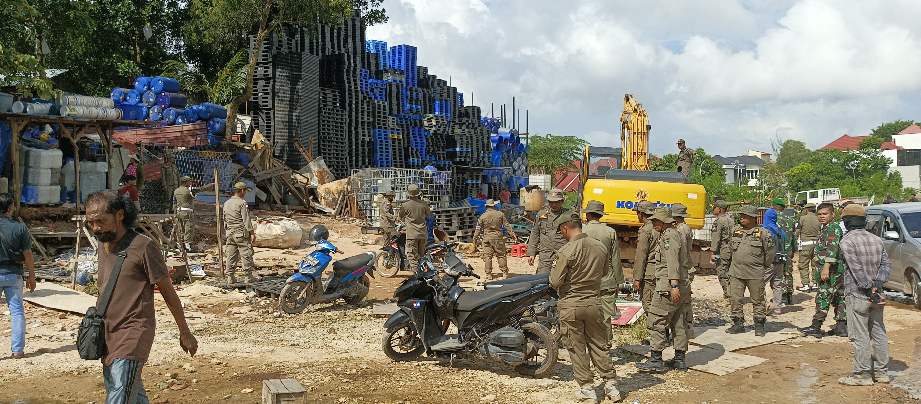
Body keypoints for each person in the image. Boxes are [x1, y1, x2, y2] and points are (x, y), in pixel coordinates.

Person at [85, 191, 197, 402]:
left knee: (120, 392)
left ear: (119, 215)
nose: (96, 228)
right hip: (108, 332)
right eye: (91, 223)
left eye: (101, 221)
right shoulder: (102, 244)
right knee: (130, 393)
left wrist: (185, 332)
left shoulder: (143, 246)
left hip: (133, 332)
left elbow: (168, 292)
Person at [549, 213, 622, 402]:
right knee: (599, 344)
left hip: (571, 305)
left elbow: (555, 281)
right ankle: (611, 385)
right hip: (594, 303)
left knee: (576, 347)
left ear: (565, 228)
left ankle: (587, 388)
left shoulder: (566, 250)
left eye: (561, 231)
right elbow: (604, 272)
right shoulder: (600, 247)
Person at [837, 204, 892, 386]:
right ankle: (882, 373)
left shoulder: (847, 241)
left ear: (846, 222)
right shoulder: (877, 239)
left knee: (860, 336)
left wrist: (868, 288)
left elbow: (856, 269)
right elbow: (886, 265)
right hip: (877, 295)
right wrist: (877, 285)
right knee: (879, 333)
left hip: (858, 294)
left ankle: (862, 375)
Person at [637, 208, 691, 373]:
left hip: (668, 286)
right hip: (682, 284)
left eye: (655, 221)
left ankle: (656, 360)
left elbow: (672, 261)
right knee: (678, 321)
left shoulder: (669, 236)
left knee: (656, 319)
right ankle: (680, 360)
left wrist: (673, 285)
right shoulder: (676, 233)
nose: (653, 223)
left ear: (663, 222)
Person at [727, 205, 774, 336]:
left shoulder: (763, 233)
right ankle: (738, 324)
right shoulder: (735, 231)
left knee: (758, 300)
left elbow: (770, 254)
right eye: (741, 216)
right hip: (736, 272)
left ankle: (759, 325)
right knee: (735, 299)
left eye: (745, 216)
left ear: (753, 218)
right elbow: (730, 249)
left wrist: (762, 266)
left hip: (755, 273)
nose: (741, 218)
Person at [802, 202, 848, 337]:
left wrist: (826, 268)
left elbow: (832, 249)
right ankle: (841, 327)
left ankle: (816, 326)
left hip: (831, 271)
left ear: (832, 214)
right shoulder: (825, 228)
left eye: (825, 214)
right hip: (834, 270)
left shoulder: (833, 228)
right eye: (820, 214)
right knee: (839, 298)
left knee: (823, 296)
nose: (822, 216)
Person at [0, 193, 35, 358]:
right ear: (10, 208)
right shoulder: (20, 228)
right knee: (17, 312)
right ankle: (17, 350)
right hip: (14, 274)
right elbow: (28, 254)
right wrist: (31, 276)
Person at [581, 200, 623, 338]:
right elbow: (615, 258)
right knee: (605, 315)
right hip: (607, 280)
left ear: (588, 215)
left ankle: (590, 342)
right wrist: (618, 281)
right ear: (600, 215)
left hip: (585, 280)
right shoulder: (610, 232)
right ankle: (606, 342)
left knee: (586, 314)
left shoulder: (581, 231)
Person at [527, 188, 570, 274]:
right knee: (542, 278)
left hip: (563, 254)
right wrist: (531, 253)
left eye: (557, 202)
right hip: (545, 255)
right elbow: (535, 233)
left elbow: (575, 236)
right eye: (551, 202)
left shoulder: (569, 215)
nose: (554, 205)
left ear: (562, 201)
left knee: (561, 278)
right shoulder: (542, 214)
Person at [473, 199, 518, 279]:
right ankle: (504, 273)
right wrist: (513, 235)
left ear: (486, 206)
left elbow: (478, 229)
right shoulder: (500, 214)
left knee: (488, 257)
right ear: (494, 206)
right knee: (501, 255)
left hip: (487, 238)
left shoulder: (482, 216)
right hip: (498, 238)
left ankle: (488, 274)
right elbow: (507, 225)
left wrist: (474, 239)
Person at [223, 182, 256, 283]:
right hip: (240, 233)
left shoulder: (226, 203)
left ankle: (230, 277)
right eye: (245, 191)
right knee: (246, 254)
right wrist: (252, 233)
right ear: (241, 190)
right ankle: (248, 277)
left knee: (231, 255)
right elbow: (246, 220)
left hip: (230, 233)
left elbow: (224, 219)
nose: (245, 193)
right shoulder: (242, 203)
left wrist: (227, 231)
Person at [632, 201, 659, 318]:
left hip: (650, 273)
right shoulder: (660, 227)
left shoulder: (646, 230)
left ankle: (656, 328)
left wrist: (637, 279)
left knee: (648, 303)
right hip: (661, 270)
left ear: (641, 214)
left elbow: (641, 256)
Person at [172, 176, 214, 253]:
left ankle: (180, 245)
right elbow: (201, 189)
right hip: (187, 212)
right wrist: (211, 185)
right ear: (186, 182)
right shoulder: (189, 190)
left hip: (178, 212)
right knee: (189, 228)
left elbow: (174, 203)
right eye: (190, 181)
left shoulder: (176, 191)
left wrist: (175, 213)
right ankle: (188, 247)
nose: (191, 183)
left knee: (181, 229)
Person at [397, 184, 431, 273]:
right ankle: (422, 272)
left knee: (411, 255)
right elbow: (429, 216)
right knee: (421, 255)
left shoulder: (405, 205)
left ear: (408, 194)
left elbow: (399, 217)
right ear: (418, 193)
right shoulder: (424, 204)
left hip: (412, 235)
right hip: (422, 234)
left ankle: (416, 273)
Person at [762, 206, 787, 314]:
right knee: (777, 284)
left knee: (760, 283)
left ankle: (763, 306)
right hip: (781, 260)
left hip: (770, 261)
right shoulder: (780, 231)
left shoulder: (765, 230)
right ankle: (777, 307)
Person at [774, 199, 797, 305]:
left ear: (774, 206)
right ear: (783, 208)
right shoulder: (791, 219)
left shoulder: (772, 219)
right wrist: (794, 249)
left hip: (776, 249)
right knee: (788, 272)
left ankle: (781, 296)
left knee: (778, 273)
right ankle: (789, 295)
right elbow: (794, 236)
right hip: (788, 250)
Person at [710, 200, 734, 298]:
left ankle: (728, 294)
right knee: (730, 272)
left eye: (714, 207)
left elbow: (716, 238)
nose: (713, 209)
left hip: (723, 249)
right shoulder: (731, 220)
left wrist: (712, 253)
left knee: (722, 271)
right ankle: (731, 292)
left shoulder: (718, 221)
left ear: (719, 209)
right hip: (732, 248)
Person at [797, 203, 821, 291]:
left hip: (805, 245)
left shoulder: (802, 218)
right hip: (817, 245)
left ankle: (806, 285)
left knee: (803, 265)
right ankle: (815, 284)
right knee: (815, 265)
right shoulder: (819, 218)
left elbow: (797, 231)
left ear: (806, 209)